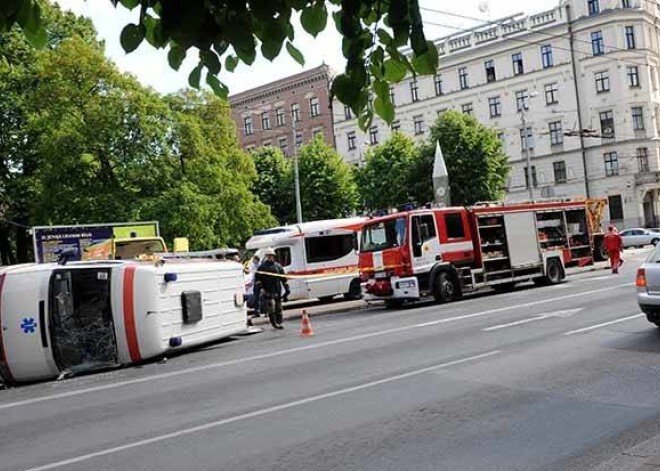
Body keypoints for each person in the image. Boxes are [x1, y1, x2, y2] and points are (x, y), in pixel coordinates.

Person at [255, 248, 290, 329]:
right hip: (267, 291)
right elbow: (257, 279)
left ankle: (279, 322)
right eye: (269, 256)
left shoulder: (278, 266)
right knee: (271, 309)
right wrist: (261, 289)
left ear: (274, 256)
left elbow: (283, 279)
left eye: (272, 256)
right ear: (266, 256)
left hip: (277, 290)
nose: (270, 257)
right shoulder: (262, 267)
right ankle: (274, 324)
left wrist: (287, 289)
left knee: (279, 308)